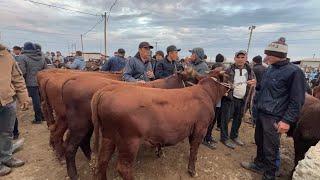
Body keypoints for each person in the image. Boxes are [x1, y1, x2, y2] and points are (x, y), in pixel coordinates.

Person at [241, 38, 306, 180]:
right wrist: (256, 84)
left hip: (275, 117)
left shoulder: (294, 72)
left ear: (276, 55)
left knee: (271, 148)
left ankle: (269, 175)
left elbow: (297, 100)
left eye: (268, 55)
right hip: (262, 112)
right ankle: (259, 164)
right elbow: (265, 88)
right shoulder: (270, 69)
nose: (265, 58)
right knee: (259, 141)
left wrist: (287, 120)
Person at [0, 43, 29, 176]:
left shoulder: (7, 55)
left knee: (7, 132)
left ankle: (6, 157)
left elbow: (17, 78)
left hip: (7, 100)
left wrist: (23, 97)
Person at [220, 50, 256, 149]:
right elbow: (224, 83)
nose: (240, 59)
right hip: (230, 98)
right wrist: (229, 86)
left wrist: (253, 83)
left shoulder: (250, 70)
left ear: (246, 59)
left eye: (242, 57)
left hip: (243, 99)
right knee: (225, 118)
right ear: (235, 58)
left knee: (238, 118)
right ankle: (224, 138)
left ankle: (234, 136)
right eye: (238, 57)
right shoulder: (228, 70)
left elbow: (254, 82)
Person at [19, 42, 47, 124]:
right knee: (42, 100)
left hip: (31, 82)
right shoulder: (41, 56)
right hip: (42, 81)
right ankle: (44, 116)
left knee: (36, 101)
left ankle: (38, 118)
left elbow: (22, 71)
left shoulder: (23, 57)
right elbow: (46, 69)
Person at [202, 53, 226, 149]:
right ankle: (206, 138)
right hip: (213, 100)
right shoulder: (213, 75)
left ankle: (208, 136)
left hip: (216, 100)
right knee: (210, 120)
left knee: (213, 119)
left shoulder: (218, 74)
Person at [11, 46, 24, 139]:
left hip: (7, 93)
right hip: (9, 93)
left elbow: (21, 73)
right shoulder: (11, 58)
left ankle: (14, 132)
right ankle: (15, 132)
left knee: (10, 112)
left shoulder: (9, 58)